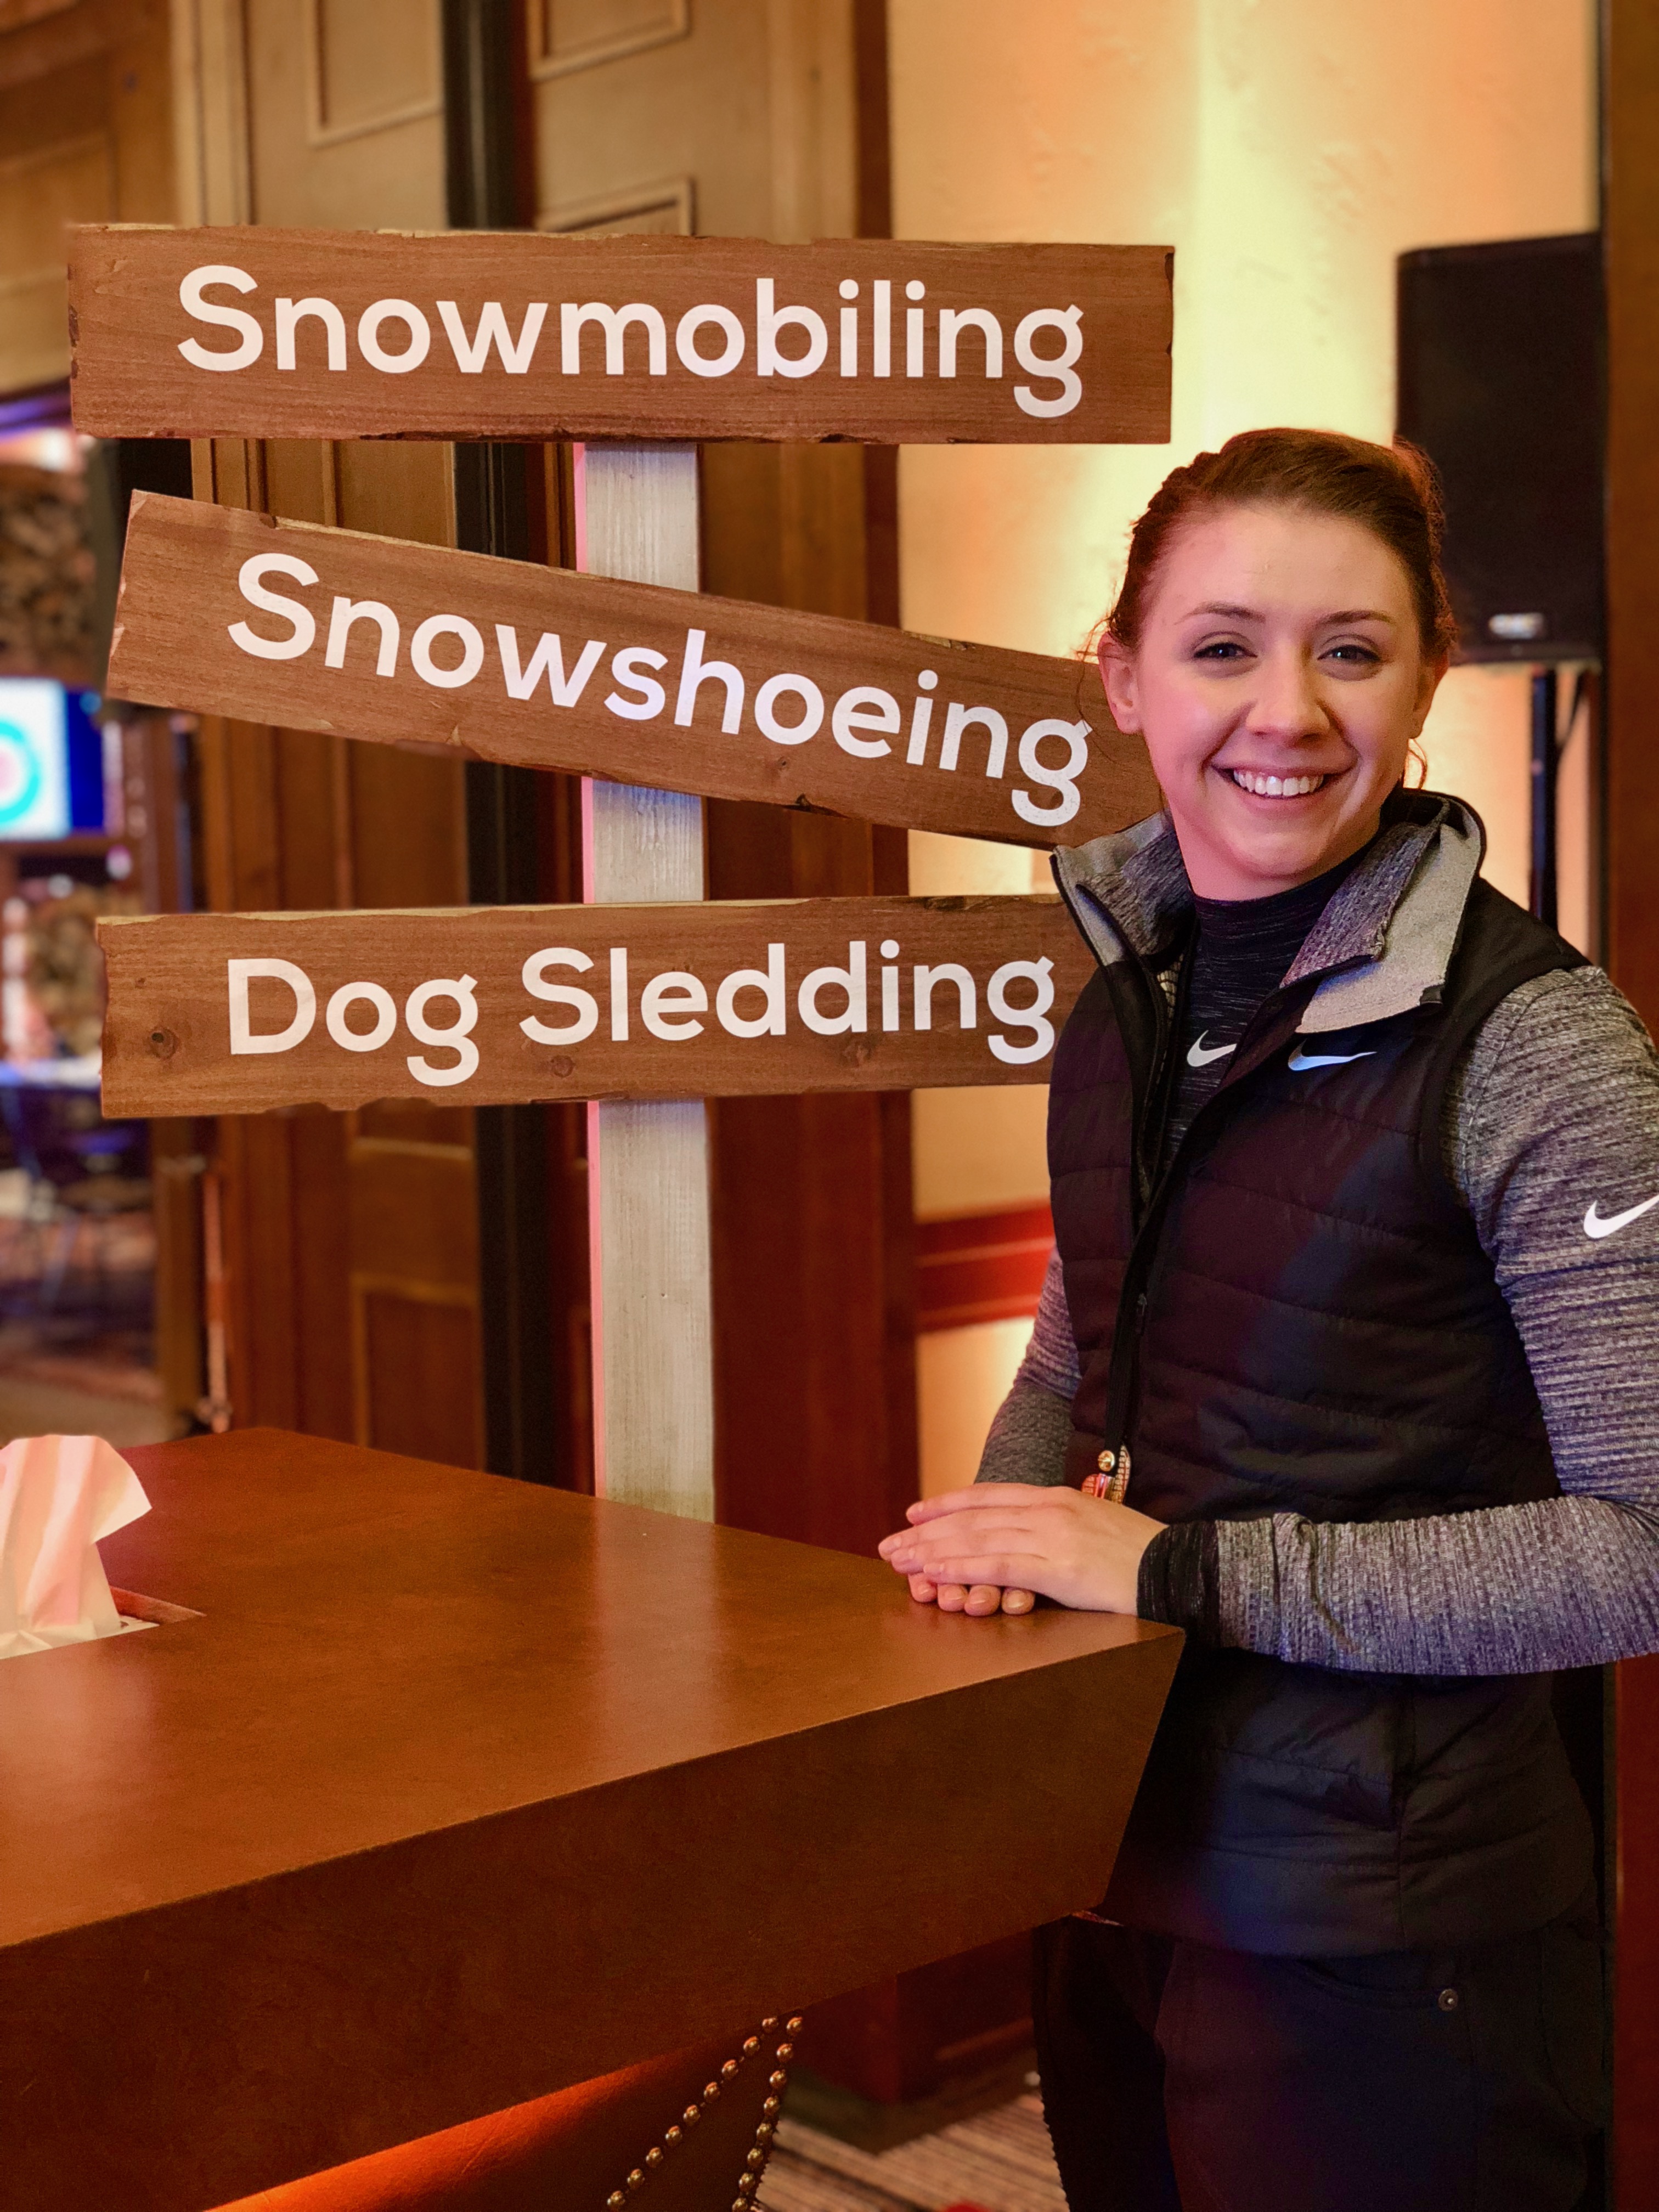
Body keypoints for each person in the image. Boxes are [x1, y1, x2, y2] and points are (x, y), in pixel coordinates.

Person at [878, 428, 1659, 2212]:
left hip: (1390, 1940)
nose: (1285, 713)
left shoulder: (1544, 1051)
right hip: (1111, 1854)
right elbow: (1079, 1336)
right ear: (1124, 677)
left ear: (1427, 678)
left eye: (1351, 650)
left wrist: (1172, 1573)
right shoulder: (1129, 997)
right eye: (1223, 646)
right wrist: (998, 1543)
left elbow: (1644, 1552)